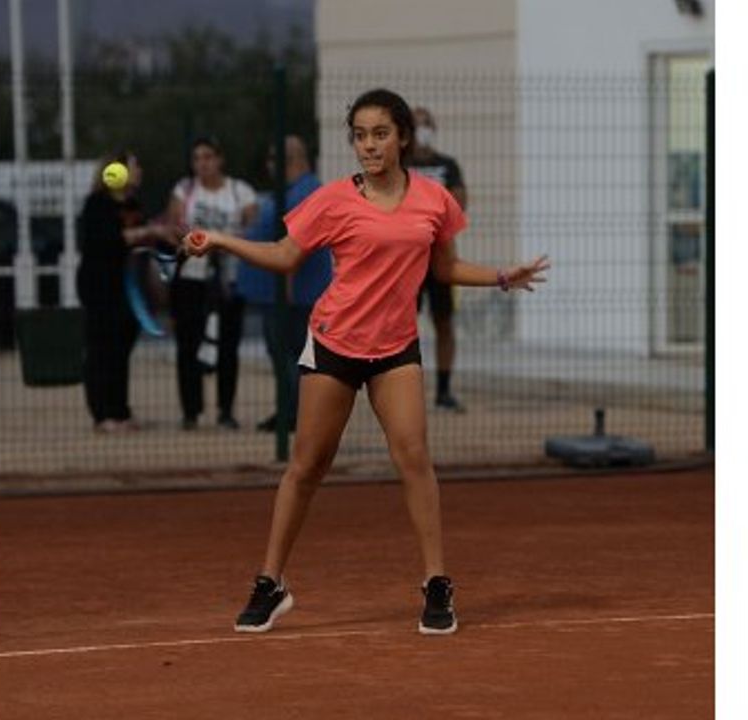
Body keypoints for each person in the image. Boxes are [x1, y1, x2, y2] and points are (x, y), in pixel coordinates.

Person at [181, 89, 549, 635]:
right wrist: (219, 240)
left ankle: (437, 583)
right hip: (334, 343)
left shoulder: (435, 199)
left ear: (402, 138)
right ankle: (270, 582)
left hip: (396, 348)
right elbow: (285, 256)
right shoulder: (332, 200)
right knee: (307, 466)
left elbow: (443, 269)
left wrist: (500, 277)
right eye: (360, 135)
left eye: (380, 133)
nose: (369, 145)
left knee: (414, 457)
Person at [238, 136, 331, 433]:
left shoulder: (304, 193)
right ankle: (287, 410)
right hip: (277, 293)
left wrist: (286, 289)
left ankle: (294, 415)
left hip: (293, 296)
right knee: (284, 355)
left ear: (290, 161)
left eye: (272, 159)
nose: (268, 166)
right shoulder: (289, 191)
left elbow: (297, 244)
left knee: (290, 354)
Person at [76, 150, 174, 433]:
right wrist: (145, 233)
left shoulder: (134, 204)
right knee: (101, 350)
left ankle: (120, 411)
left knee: (121, 349)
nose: (139, 171)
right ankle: (102, 415)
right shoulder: (97, 204)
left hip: (130, 289)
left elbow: (144, 240)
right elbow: (105, 240)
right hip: (100, 287)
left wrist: (160, 235)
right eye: (134, 166)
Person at [166, 137, 259, 431]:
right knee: (188, 344)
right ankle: (191, 411)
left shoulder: (239, 191)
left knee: (228, 346)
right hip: (192, 278)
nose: (202, 164)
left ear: (220, 159)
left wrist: (225, 242)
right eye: (196, 158)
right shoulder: (185, 189)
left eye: (207, 157)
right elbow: (174, 226)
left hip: (228, 280)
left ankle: (225, 410)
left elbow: (254, 226)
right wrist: (193, 239)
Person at [407, 106, 470, 412]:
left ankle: (444, 391)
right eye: (417, 125)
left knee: (444, 322)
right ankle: (405, 388)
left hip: (441, 257)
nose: (423, 131)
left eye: (426, 124)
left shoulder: (448, 165)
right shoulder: (400, 164)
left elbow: (458, 205)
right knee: (405, 325)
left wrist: (426, 210)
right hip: (407, 259)